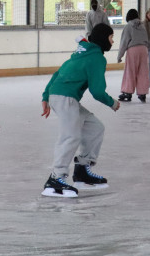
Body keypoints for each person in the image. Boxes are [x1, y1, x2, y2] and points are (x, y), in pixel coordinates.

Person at [41, 23, 119, 198]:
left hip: (62, 96)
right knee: (70, 136)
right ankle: (55, 178)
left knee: (95, 128)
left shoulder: (81, 53)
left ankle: (82, 170)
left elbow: (58, 73)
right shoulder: (96, 58)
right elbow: (97, 91)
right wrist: (112, 103)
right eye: (111, 37)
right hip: (65, 98)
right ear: (103, 39)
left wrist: (46, 96)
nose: (113, 42)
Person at [116, 8, 149, 102]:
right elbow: (147, 39)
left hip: (133, 50)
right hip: (144, 49)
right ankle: (142, 93)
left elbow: (124, 42)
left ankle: (127, 92)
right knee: (143, 71)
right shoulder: (142, 26)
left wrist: (119, 56)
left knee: (130, 71)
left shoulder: (128, 26)